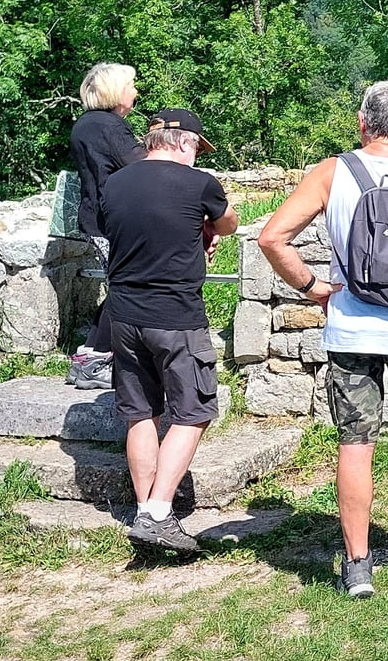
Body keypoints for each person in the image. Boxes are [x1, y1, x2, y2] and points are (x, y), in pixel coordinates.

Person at [258, 81, 388, 598]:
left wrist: (314, 289)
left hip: (351, 328)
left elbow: (271, 237)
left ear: (362, 122)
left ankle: (357, 566)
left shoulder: (332, 173)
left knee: (355, 444)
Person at [100, 108, 240, 551]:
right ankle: (160, 512)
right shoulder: (199, 184)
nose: (198, 155)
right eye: (197, 146)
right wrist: (207, 225)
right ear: (182, 143)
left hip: (122, 315)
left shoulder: (116, 183)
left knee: (141, 414)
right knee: (194, 412)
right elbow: (231, 222)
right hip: (176, 317)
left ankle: (145, 514)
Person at [67, 62, 147, 389]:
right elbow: (143, 166)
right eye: (131, 85)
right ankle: (95, 357)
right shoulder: (110, 127)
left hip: (96, 220)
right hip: (113, 223)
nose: (136, 91)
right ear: (115, 91)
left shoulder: (86, 124)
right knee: (127, 287)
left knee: (122, 285)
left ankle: (92, 355)